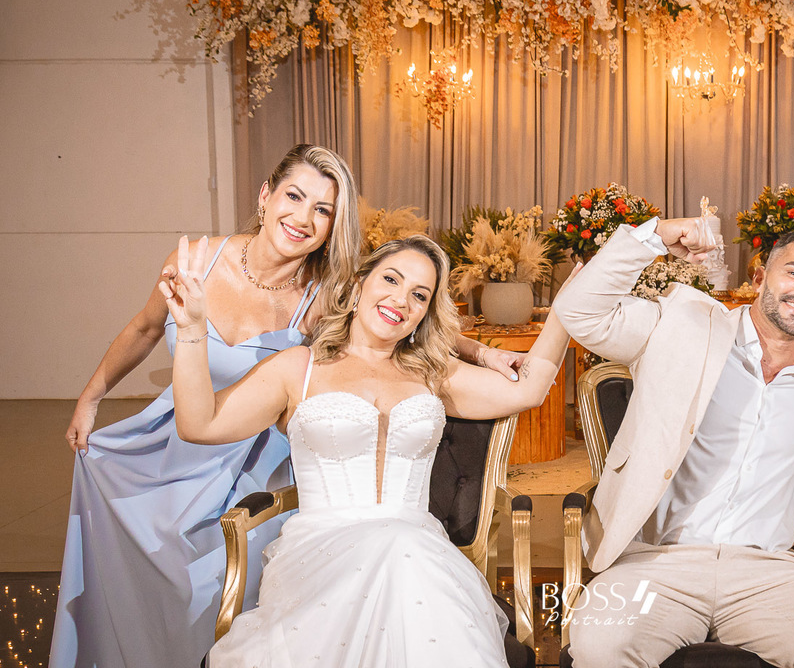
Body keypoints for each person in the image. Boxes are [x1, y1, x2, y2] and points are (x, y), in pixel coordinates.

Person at [50, 144, 520, 668]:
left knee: (243, 594)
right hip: (185, 436)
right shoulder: (197, 262)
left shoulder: (325, 291)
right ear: (265, 195)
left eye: (323, 210)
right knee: (150, 574)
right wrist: (91, 396)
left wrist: (482, 352)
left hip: (256, 462)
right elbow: (143, 328)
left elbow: (403, 314)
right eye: (294, 197)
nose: (303, 218)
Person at [164, 234, 572, 666]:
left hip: (418, 552)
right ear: (359, 285)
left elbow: (529, 389)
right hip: (321, 554)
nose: (401, 300)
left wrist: (569, 308)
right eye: (391, 279)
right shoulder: (298, 369)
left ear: (425, 314)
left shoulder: (433, 374)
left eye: (419, 295)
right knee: (400, 550)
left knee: (404, 551)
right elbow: (199, 424)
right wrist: (191, 330)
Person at [554, 217, 794, 668]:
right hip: (655, 563)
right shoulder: (682, 327)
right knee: (601, 647)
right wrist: (656, 236)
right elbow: (579, 311)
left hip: (768, 571)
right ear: (759, 276)